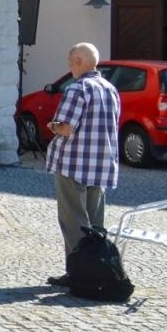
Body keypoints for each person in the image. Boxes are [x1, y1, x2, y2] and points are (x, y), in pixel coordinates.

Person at [43, 42, 121, 287]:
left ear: (78, 62)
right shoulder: (110, 89)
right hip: (101, 165)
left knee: (74, 221)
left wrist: (52, 126)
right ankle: (96, 270)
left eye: (70, 62)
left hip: (73, 163)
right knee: (95, 224)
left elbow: (66, 127)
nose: (69, 66)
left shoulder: (77, 88)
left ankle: (78, 274)